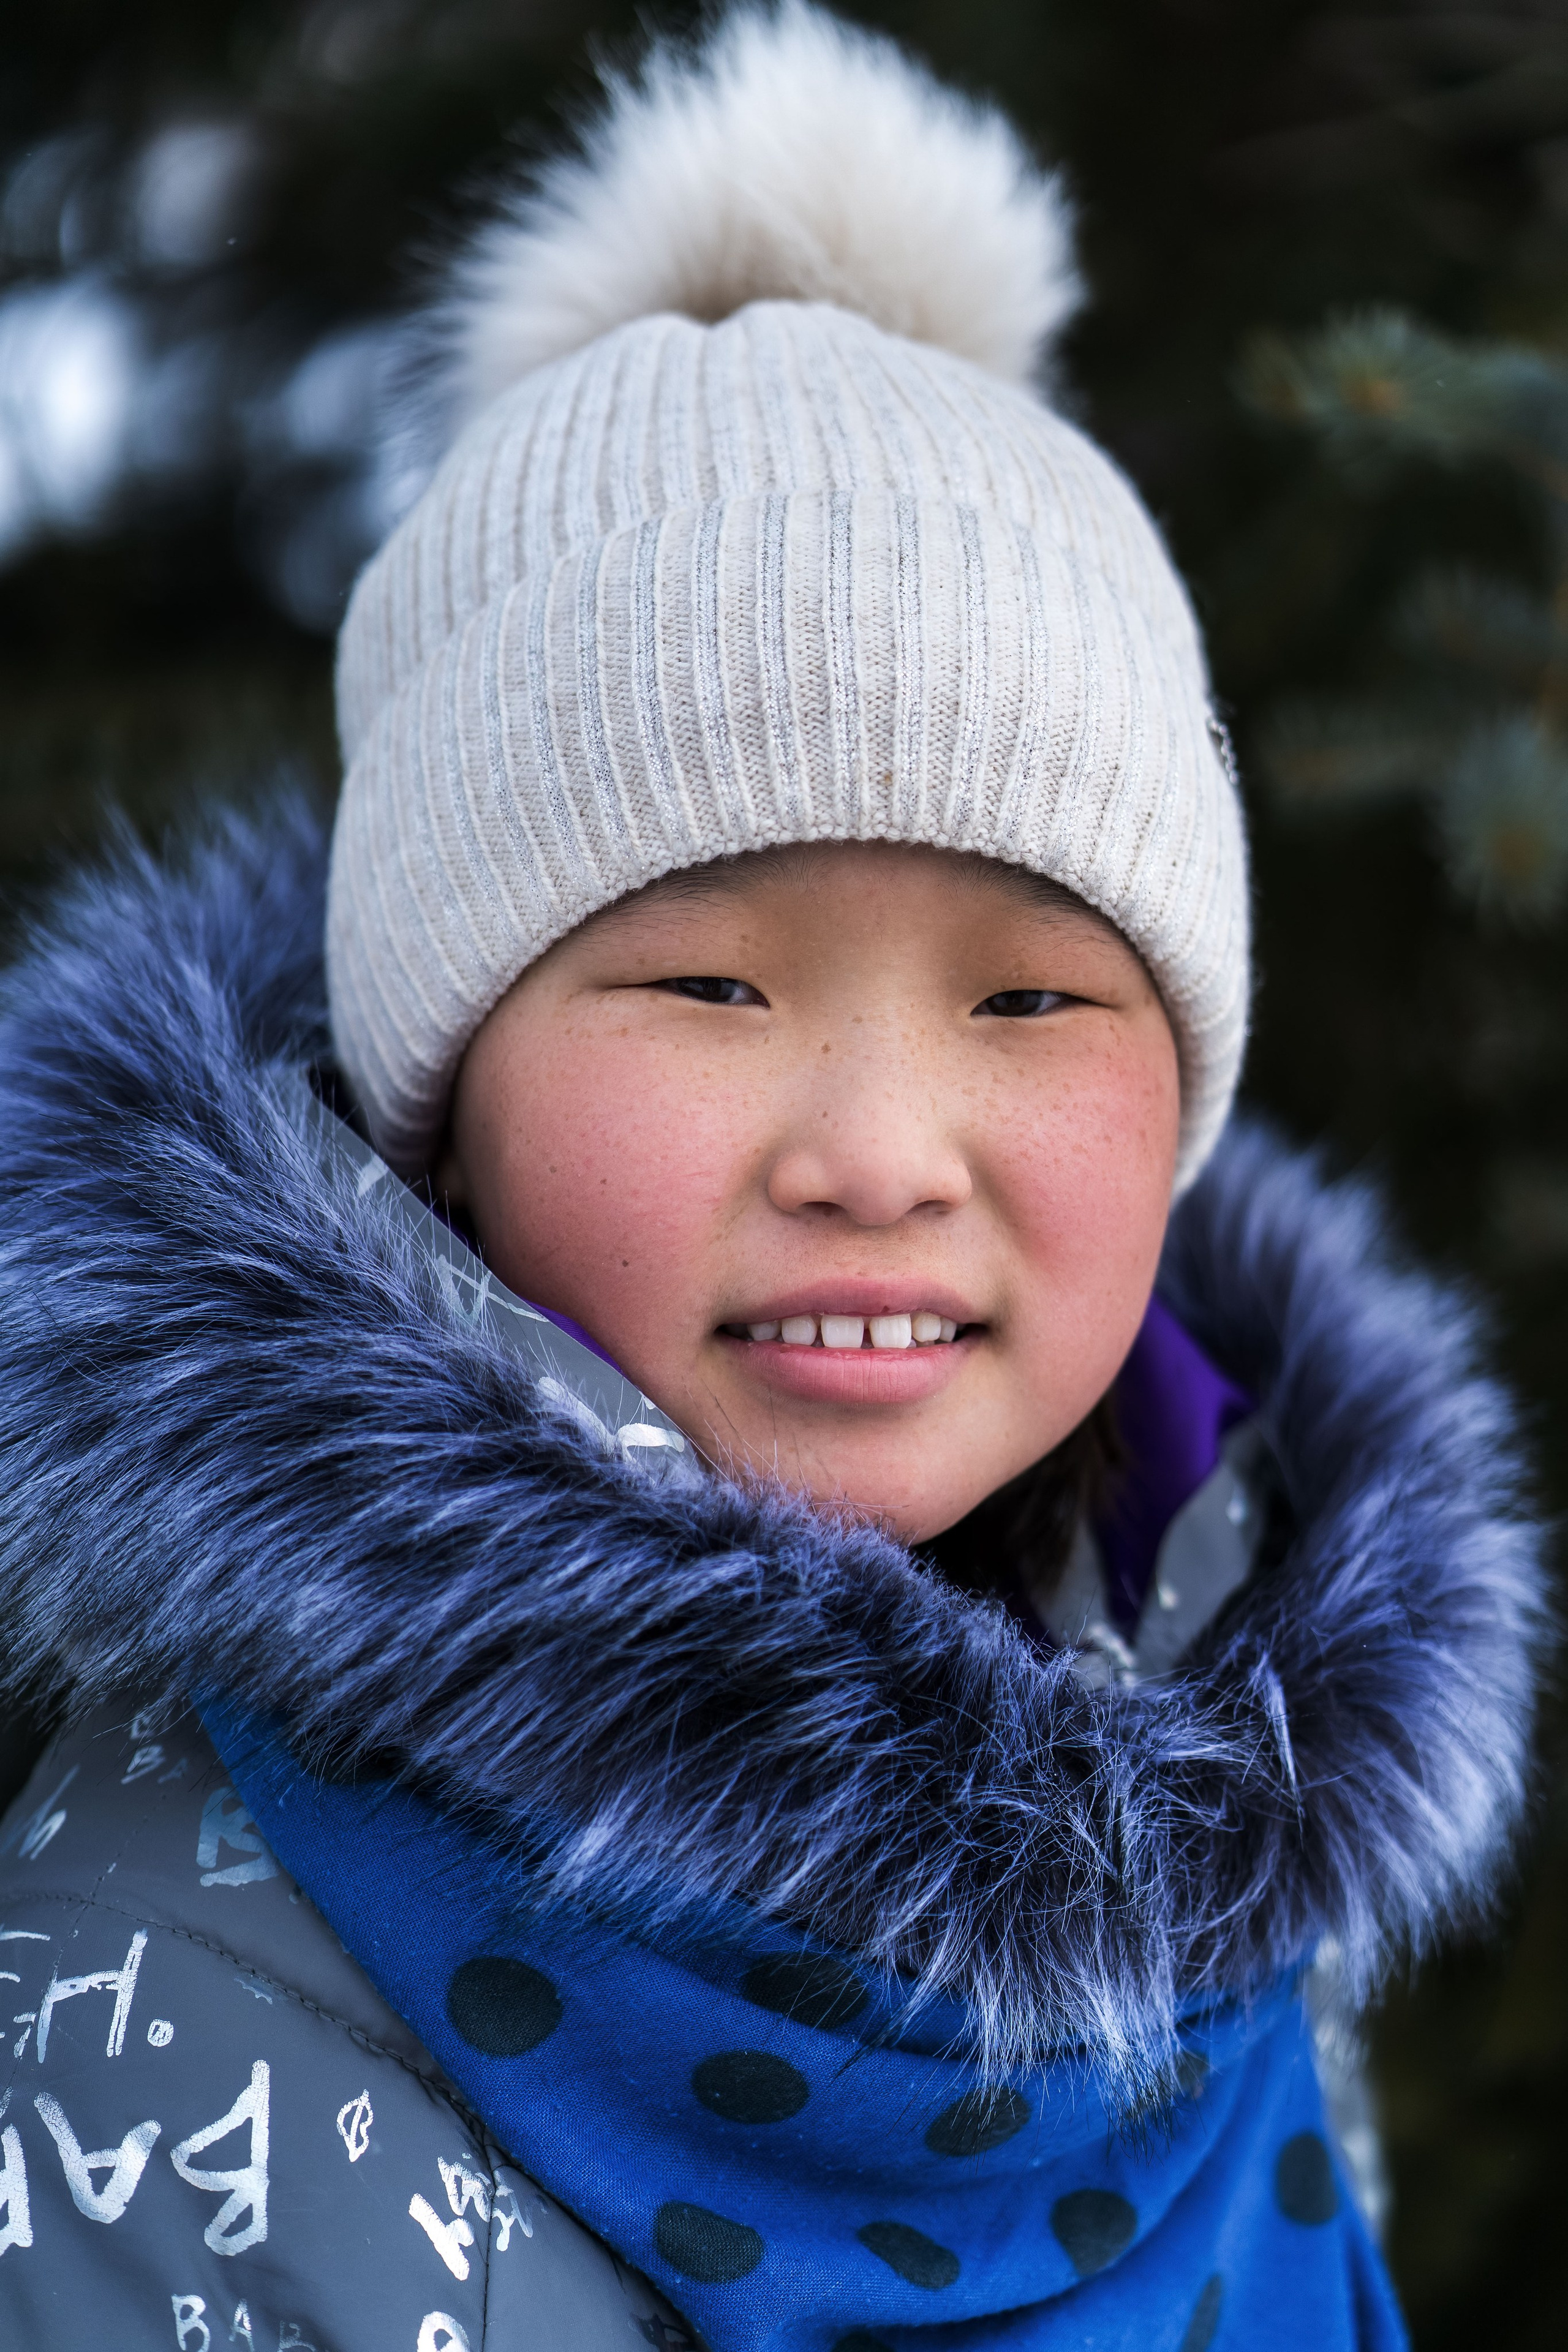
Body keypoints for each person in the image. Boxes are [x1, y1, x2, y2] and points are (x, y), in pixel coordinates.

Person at [0, 8, 1545, 2348]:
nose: (878, 1156)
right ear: (444, 1092)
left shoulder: (1227, 1706)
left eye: (1030, 1002)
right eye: (707, 990)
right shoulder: (180, 1967)